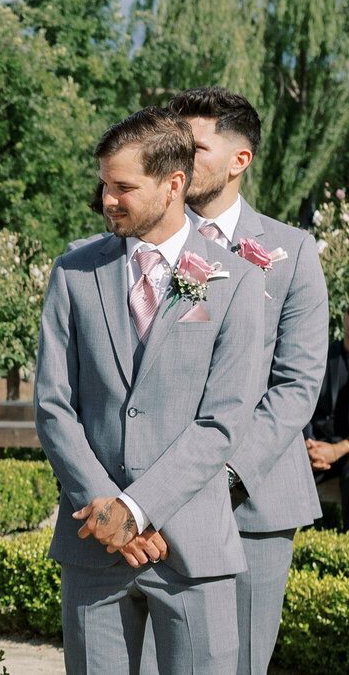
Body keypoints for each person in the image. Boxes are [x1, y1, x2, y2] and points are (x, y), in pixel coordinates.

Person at [34, 107, 265, 675]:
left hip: (191, 548)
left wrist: (136, 510)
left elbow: (223, 422)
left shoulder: (235, 282)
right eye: (105, 185)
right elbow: (53, 405)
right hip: (93, 544)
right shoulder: (73, 273)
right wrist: (104, 508)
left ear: (173, 184)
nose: (108, 199)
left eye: (123, 187)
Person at [168, 87, 329, 675]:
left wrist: (225, 476)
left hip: (252, 499)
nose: (179, 157)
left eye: (195, 146)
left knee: (241, 665)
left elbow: (296, 382)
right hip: (152, 494)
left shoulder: (293, 251)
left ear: (239, 160)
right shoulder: (142, 246)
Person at [307, 328, 349, 511]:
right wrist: (307, 447)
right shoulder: (324, 355)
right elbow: (303, 400)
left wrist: (339, 449)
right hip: (315, 447)